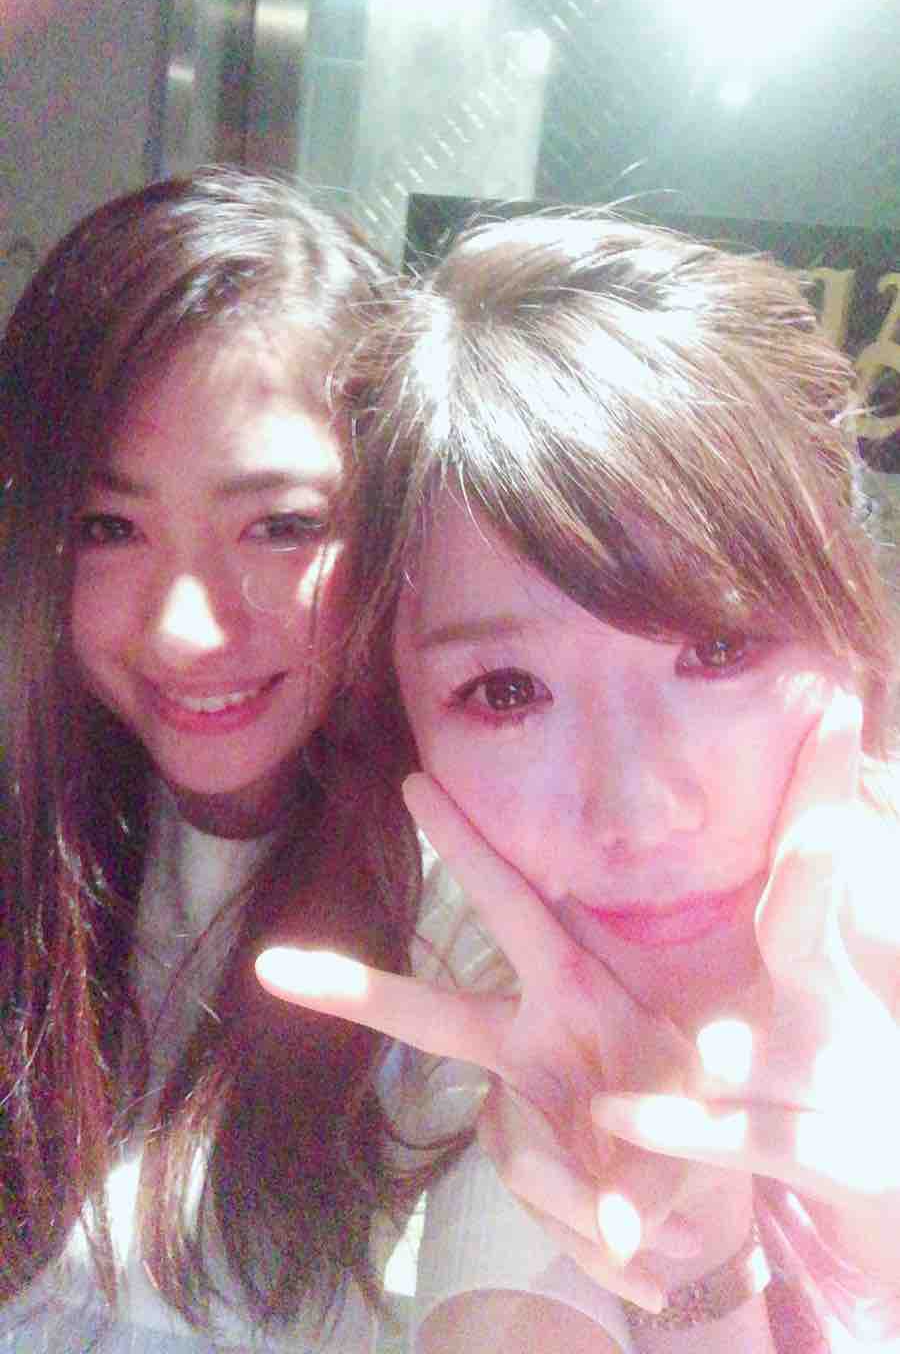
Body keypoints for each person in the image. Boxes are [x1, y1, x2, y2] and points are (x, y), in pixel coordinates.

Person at [257, 212, 900, 1351]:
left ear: (855, 627)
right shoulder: (537, 1071)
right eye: (507, 691)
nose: (638, 809)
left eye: (717, 648)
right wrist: (696, 1266)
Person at [0, 166, 455, 1351]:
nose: (184, 631)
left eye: (280, 526)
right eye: (108, 527)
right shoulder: (38, 839)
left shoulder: (471, 915)